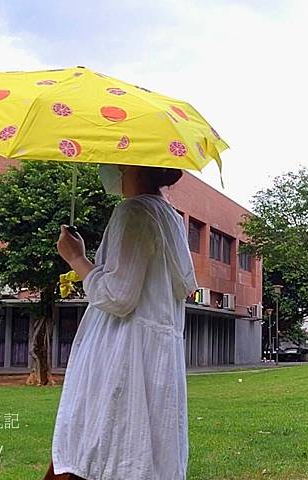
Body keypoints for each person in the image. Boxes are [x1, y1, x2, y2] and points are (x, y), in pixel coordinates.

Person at [44, 164, 198, 480]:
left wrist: (76, 259)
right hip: (156, 355)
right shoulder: (170, 218)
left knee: (103, 448)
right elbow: (185, 284)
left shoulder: (133, 212)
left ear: (129, 165)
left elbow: (118, 296)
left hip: (123, 353)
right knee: (144, 450)